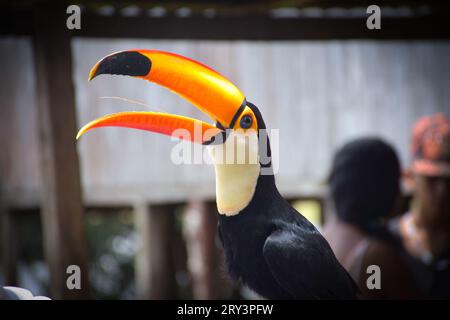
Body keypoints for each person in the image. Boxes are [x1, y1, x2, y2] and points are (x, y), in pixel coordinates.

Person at [323, 137, 418, 299]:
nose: (401, 192)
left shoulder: (325, 234)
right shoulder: (379, 257)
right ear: (380, 188)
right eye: (395, 180)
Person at [390, 113, 450, 299]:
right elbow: (371, 287)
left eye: (449, 180)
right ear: (410, 178)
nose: (442, 191)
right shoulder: (386, 246)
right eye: (432, 180)